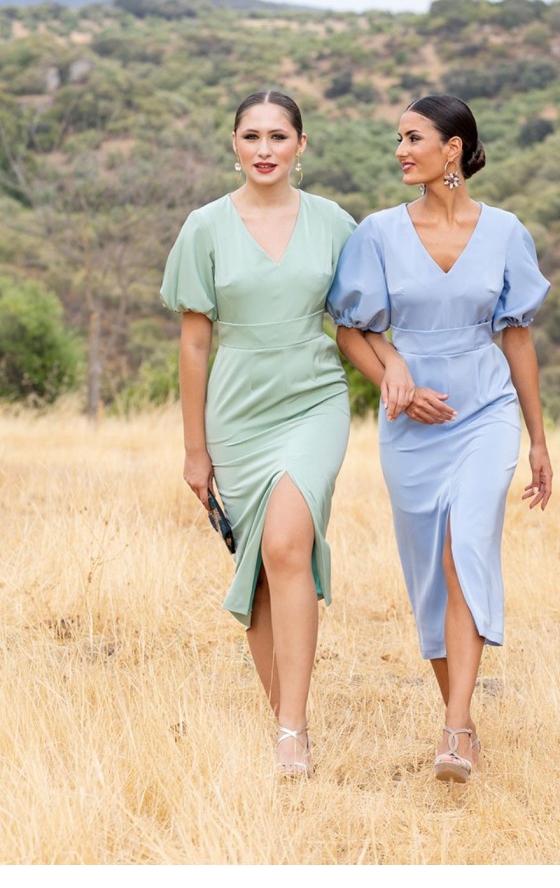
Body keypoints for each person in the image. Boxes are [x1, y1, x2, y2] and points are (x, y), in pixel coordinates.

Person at [327, 94, 552, 783]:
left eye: (413, 137)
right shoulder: (377, 232)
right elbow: (350, 327)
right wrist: (392, 367)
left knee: (464, 550)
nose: (400, 150)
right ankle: (463, 720)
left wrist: (539, 439)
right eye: (399, 138)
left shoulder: (507, 231)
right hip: (411, 423)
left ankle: (455, 729)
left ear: (451, 148)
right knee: (430, 572)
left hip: (486, 411)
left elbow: (516, 336)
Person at [160, 90, 356, 777]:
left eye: (279, 135)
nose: (265, 148)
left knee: (286, 543)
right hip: (236, 411)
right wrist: (194, 450)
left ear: (302, 145)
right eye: (252, 135)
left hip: (313, 397)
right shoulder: (204, 227)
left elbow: (358, 323)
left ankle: (292, 732)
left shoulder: (335, 223)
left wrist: (399, 373)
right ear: (234, 145)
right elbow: (192, 345)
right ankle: (288, 727)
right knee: (262, 575)